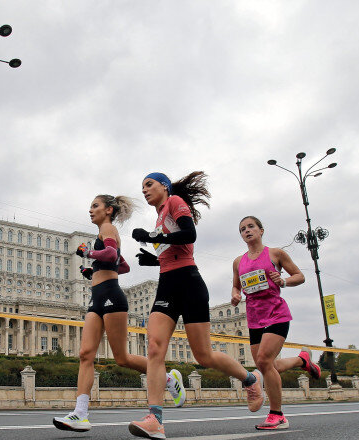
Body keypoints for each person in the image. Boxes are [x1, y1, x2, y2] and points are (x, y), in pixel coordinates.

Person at [128, 172, 264, 439]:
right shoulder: (159, 217)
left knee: (204, 355)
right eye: (142, 187)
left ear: (164, 186)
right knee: (155, 346)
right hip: (167, 284)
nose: (144, 190)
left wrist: (152, 236)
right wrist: (152, 260)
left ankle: (251, 380)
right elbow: (173, 250)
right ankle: (155, 419)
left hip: (190, 284)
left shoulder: (175, 201)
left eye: (149, 184)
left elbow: (190, 235)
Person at [53, 195, 186, 433]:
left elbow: (112, 255)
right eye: (90, 206)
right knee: (85, 354)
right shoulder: (104, 232)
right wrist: (93, 270)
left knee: (122, 358)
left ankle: (168, 378)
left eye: (95, 206)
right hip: (97, 296)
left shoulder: (108, 227)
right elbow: (122, 265)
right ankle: (80, 414)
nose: (90, 210)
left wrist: (89, 255)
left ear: (108, 210)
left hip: (112, 296)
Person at [231, 215, 321, 431]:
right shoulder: (238, 262)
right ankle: (302, 361)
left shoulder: (275, 254)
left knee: (263, 360)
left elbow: (299, 276)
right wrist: (235, 295)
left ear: (261, 231)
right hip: (254, 318)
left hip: (276, 314)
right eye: (243, 229)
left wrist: (284, 281)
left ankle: (277, 415)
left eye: (251, 226)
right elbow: (236, 287)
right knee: (265, 365)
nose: (247, 231)